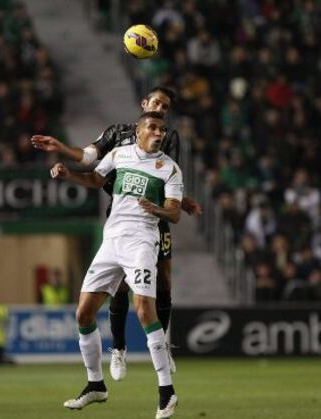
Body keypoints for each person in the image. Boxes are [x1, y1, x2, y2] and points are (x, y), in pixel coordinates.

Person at [31, 86, 201, 380]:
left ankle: (163, 346)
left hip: (154, 214)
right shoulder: (117, 134)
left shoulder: (167, 136)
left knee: (164, 278)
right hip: (122, 214)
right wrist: (61, 148)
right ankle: (119, 349)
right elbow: (87, 159)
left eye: (166, 107)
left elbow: (163, 171)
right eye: (157, 103)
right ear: (143, 104)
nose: (161, 109)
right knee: (120, 284)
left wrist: (180, 201)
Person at [51, 112, 182, 418]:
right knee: (83, 312)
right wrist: (69, 174)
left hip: (141, 243)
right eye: (152, 127)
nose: (159, 133)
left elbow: (175, 214)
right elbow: (96, 179)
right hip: (111, 241)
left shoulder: (170, 169)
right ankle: (95, 384)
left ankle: (166, 391)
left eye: (162, 129)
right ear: (138, 131)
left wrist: (158, 209)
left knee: (144, 310)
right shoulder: (119, 154)